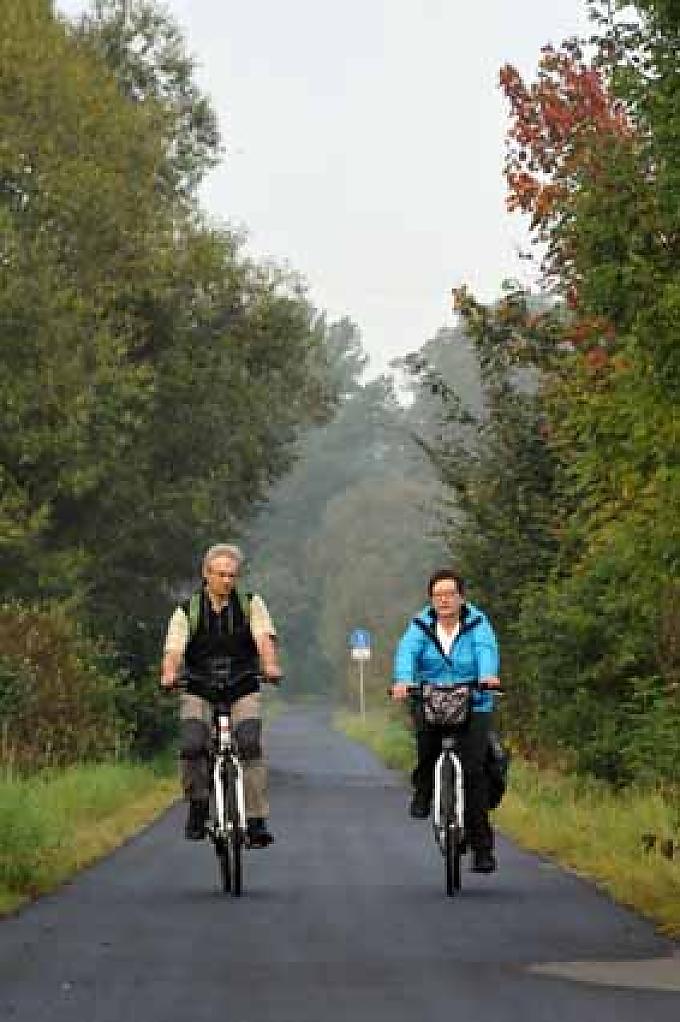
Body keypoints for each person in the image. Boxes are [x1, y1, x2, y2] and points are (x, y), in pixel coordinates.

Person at [160, 543, 282, 848]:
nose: (227, 581)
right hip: (199, 686)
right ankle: (198, 805)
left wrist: (269, 665)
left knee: (250, 744)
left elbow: (263, 637)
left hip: (242, 684)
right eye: (221, 574)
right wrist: (169, 673)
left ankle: (255, 820)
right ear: (206, 574)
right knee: (192, 745)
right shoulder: (187, 610)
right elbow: (174, 648)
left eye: (232, 575)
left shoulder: (251, 604)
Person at [391, 569, 501, 874]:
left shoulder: (478, 624)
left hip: (474, 701)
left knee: (475, 772)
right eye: (438, 595)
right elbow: (406, 653)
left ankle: (482, 850)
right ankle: (424, 789)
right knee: (426, 747)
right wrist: (402, 680)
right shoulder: (420, 625)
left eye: (449, 594)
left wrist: (488, 676)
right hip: (431, 698)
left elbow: (485, 650)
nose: (444, 600)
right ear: (431, 599)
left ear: (461, 598)